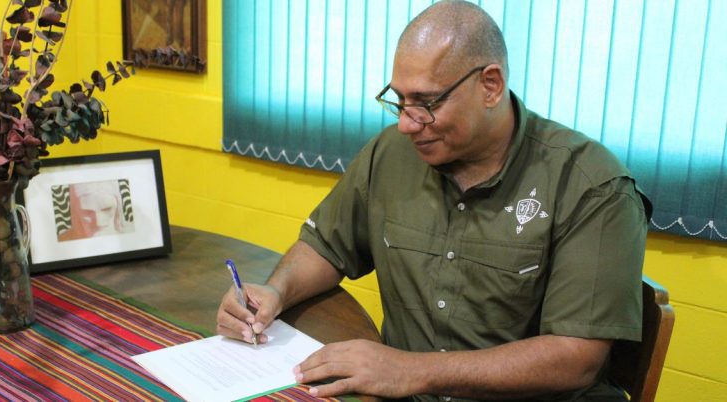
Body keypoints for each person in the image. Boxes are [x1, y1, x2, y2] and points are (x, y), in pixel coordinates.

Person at [217, 1, 651, 401]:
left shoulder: (591, 185)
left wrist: (411, 370)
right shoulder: (390, 155)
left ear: (491, 86)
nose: (408, 124)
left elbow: (575, 358)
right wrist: (275, 291)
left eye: (426, 103)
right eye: (400, 101)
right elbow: (325, 246)